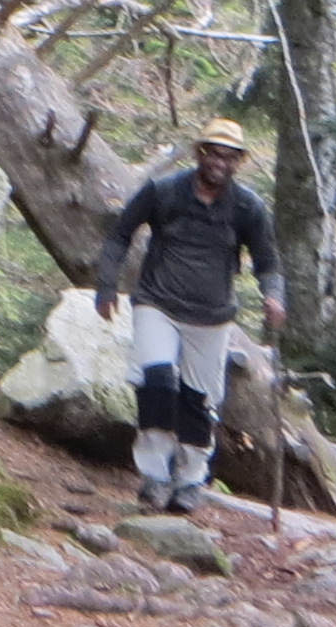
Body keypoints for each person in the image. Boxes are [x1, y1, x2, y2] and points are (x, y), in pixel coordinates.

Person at [88, 119, 285, 513]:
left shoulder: (247, 208)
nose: (221, 163)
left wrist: (274, 296)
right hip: (157, 304)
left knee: (199, 400)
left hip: (211, 318)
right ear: (199, 153)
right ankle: (155, 475)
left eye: (230, 157)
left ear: (239, 162)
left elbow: (268, 261)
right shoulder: (163, 192)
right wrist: (106, 287)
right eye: (215, 154)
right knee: (156, 382)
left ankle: (191, 479)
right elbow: (120, 234)